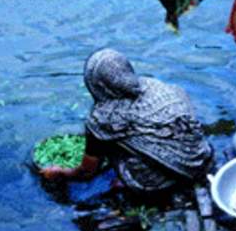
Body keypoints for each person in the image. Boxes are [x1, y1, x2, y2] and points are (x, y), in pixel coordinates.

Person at [40, 48, 213, 193]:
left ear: (95, 85)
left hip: (167, 181)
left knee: (107, 147)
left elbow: (86, 172)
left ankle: (132, 186)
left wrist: (60, 172)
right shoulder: (156, 85)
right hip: (204, 158)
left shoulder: (102, 119)